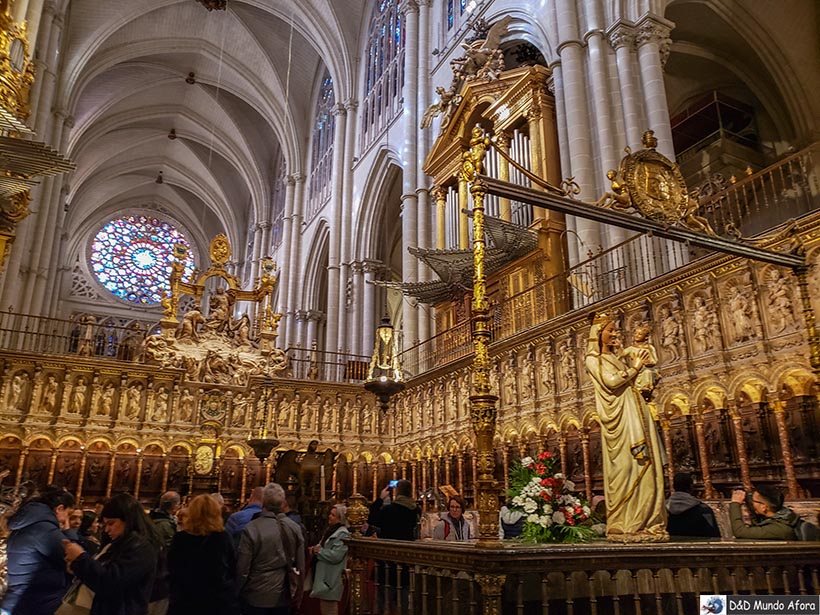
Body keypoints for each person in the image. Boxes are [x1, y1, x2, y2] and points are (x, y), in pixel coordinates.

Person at [585, 313, 668, 542]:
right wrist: (635, 368)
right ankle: (627, 521)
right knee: (627, 465)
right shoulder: (594, 359)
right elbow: (611, 382)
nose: (614, 333)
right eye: (610, 330)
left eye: (615, 330)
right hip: (621, 420)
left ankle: (648, 521)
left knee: (646, 464)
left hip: (635, 411)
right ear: (598, 334)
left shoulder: (617, 358)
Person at [64, 492, 162, 615]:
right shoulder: (120, 543)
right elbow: (102, 572)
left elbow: (110, 582)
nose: (107, 529)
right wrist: (77, 567)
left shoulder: (140, 547)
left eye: (111, 523)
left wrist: (80, 558)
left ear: (128, 520)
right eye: (105, 524)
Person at [1, 485, 76, 615]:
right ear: (59, 508)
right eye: (68, 514)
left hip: (15, 599)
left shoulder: (26, 524)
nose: (65, 519)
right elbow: (73, 559)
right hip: (35, 602)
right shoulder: (45, 529)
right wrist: (69, 531)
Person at [236, 482, 305, 615]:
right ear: (282, 503)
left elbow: (243, 568)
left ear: (264, 502)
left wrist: (237, 590)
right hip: (283, 593)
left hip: (255, 593)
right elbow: (300, 565)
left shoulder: (252, 528)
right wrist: (298, 593)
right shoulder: (294, 527)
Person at [167, 494, 239, 615]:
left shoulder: (180, 538)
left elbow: (171, 568)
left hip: (185, 598)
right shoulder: (222, 538)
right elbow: (232, 566)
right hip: (216, 600)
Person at [309, 504, 350, 615]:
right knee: (325, 606)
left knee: (330, 608)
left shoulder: (342, 534)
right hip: (325, 574)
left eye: (333, 515)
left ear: (340, 518)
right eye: (330, 514)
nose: (329, 517)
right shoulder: (330, 530)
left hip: (332, 576)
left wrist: (319, 552)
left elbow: (336, 556)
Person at [729, 486, 801, 540]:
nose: (752, 503)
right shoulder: (783, 516)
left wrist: (735, 503)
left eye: (754, 501)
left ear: (764, 507)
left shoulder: (779, 529)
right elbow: (757, 524)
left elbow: (740, 532)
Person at [665, 473, 721, 538]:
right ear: (691, 487)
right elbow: (714, 536)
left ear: (673, 487)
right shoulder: (704, 510)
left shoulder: (663, 510)